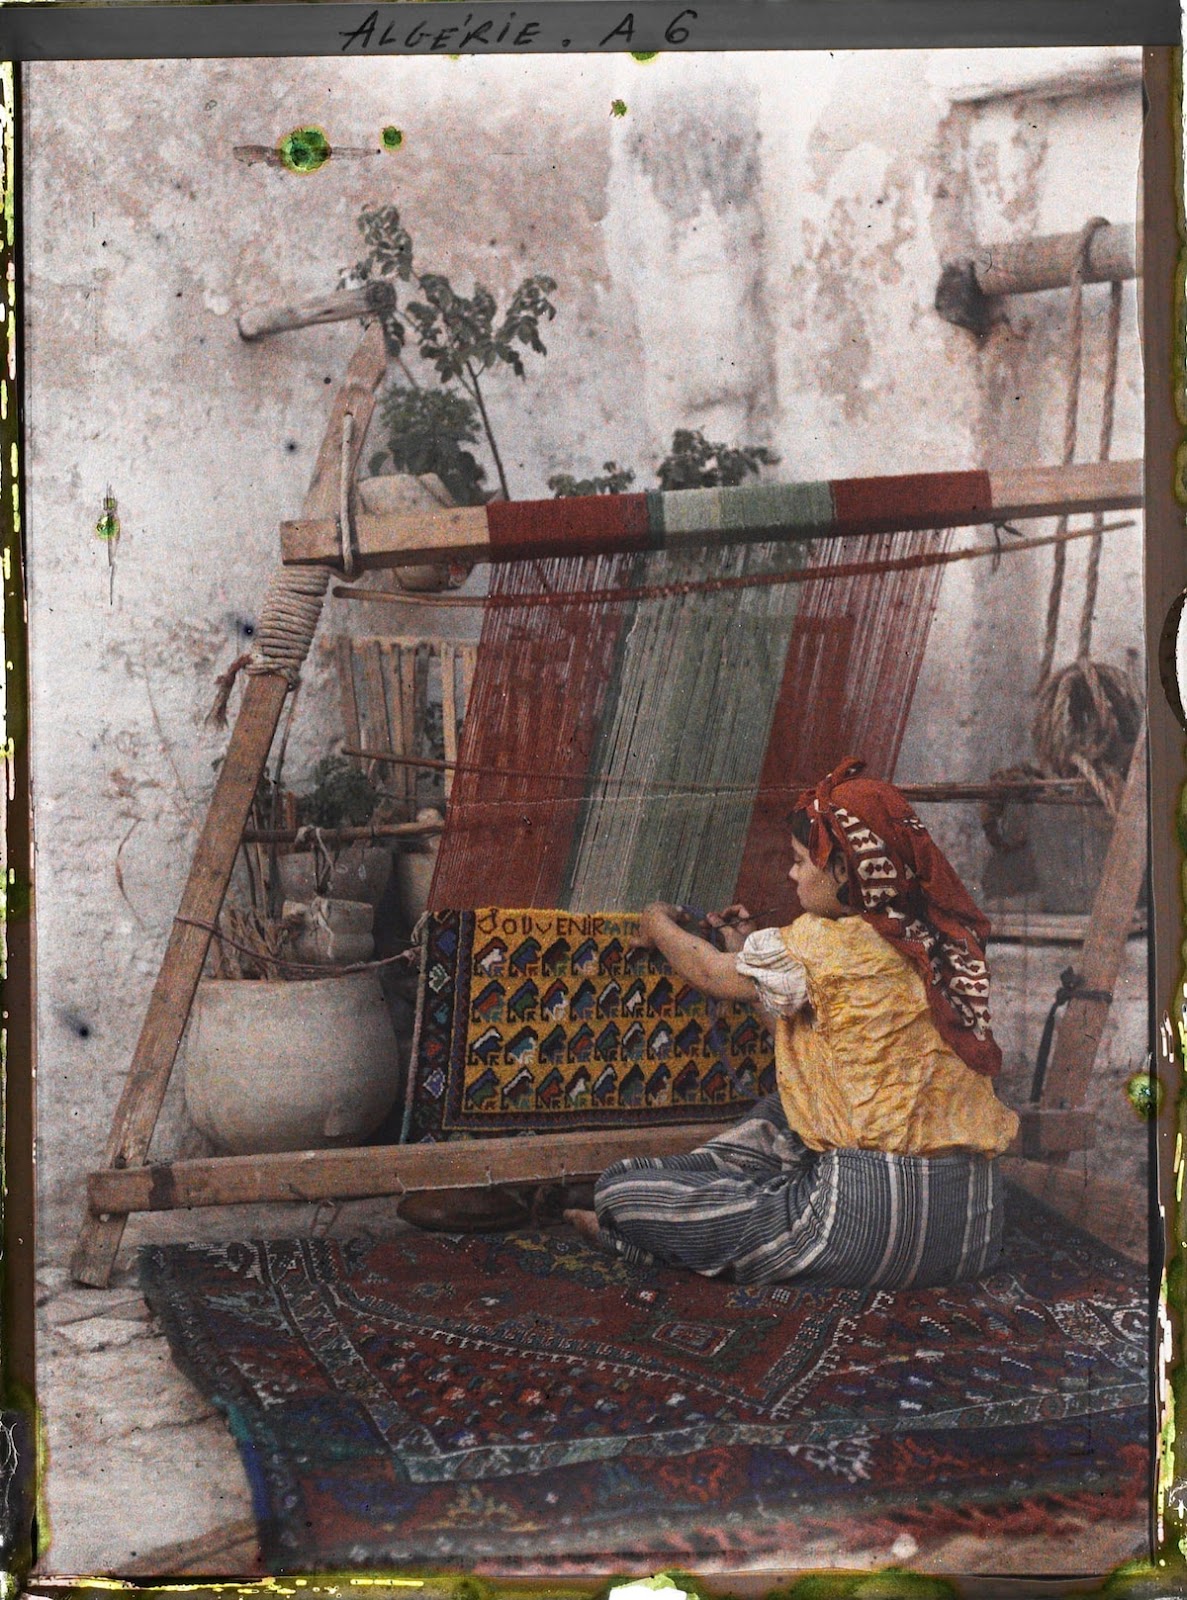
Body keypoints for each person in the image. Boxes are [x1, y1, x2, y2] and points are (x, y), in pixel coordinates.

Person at [564, 757, 1020, 1288]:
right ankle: (723, 1197)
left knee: (618, 1192)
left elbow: (710, 973)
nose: (792, 873)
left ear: (847, 871)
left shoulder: (820, 942)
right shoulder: (936, 939)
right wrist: (753, 954)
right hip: (974, 1229)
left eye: (803, 860)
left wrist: (657, 926)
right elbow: (830, 1035)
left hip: (864, 1222)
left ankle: (644, 1229)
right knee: (789, 1101)